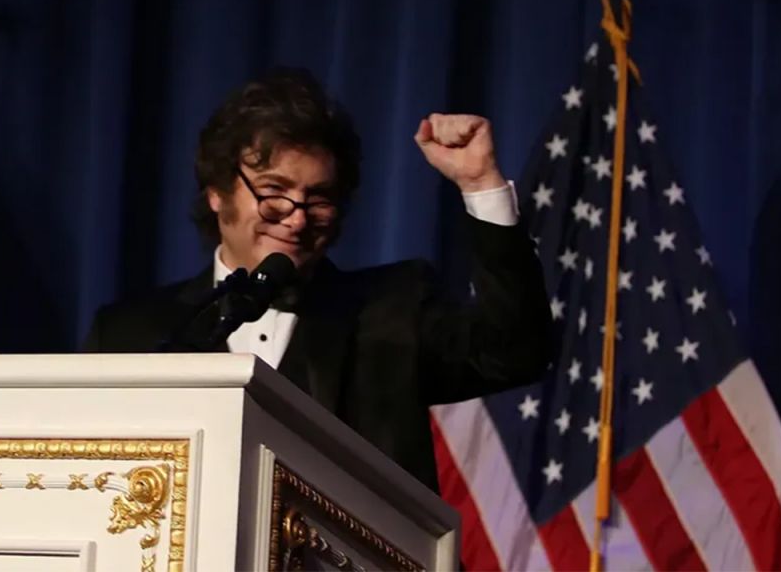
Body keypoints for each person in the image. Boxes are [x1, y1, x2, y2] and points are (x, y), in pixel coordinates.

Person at [83, 68, 552, 492]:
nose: (297, 218)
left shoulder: (393, 311)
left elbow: (515, 353)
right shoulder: (129, 334)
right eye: (274, 191)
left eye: (320, 198)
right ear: (216, 193)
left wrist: (480, 183)